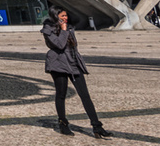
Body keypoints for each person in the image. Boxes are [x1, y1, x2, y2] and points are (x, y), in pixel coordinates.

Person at [42, 8, 111, 138]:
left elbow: (73, 47)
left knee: (85, 95)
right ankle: (63, 124)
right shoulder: (48, 30)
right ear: (55, 16)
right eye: (62, 16)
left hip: (73, 63)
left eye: (66, 15)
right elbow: (60, 45)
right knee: (61, 95)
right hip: (58, 65)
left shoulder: (69, 27)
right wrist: (63, 29)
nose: (65, 18)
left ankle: (97, 127)